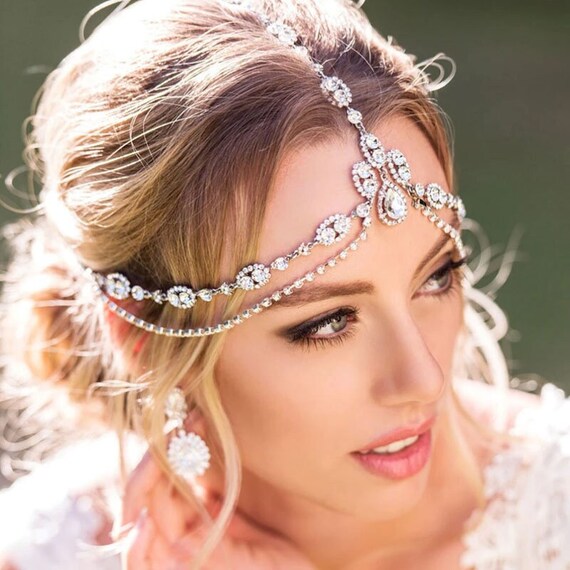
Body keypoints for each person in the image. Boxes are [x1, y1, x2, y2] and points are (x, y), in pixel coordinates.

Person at [0, 0, 568, 568]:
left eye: (436, 278)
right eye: (328, 323)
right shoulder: (45, 549)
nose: (424, 379)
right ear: (141, 338)